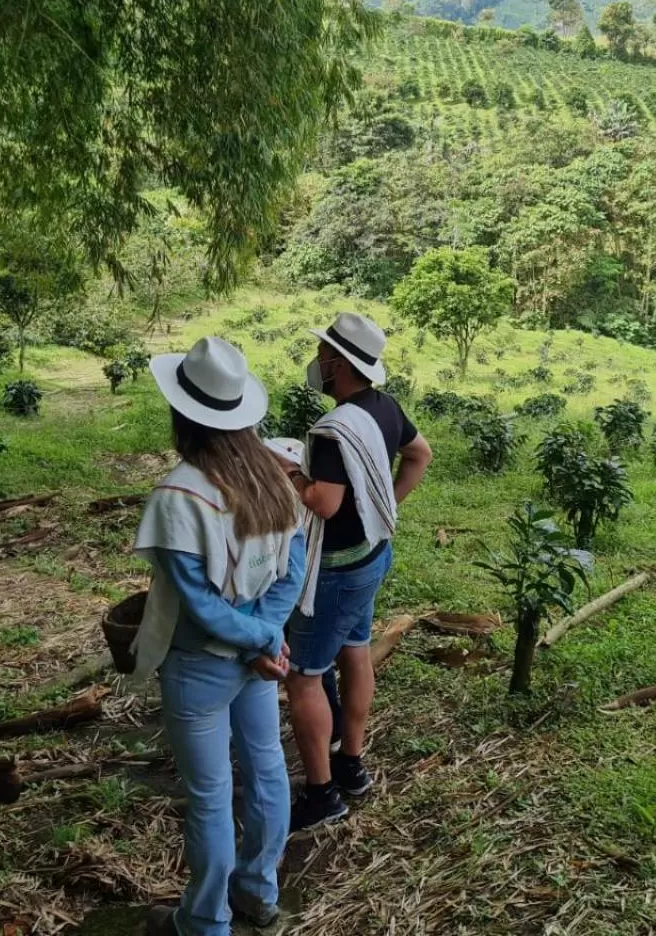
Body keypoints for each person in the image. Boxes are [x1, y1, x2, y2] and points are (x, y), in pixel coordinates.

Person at [134, 336, 306, 936]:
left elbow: (200, 603)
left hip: (200, 665)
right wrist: (267, 637)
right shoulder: (273, 477)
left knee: (210, 795)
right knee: (266, 769)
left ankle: (206, 922)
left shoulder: (178, 494)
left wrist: (257, 639)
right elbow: (293, 571)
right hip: (259, 660)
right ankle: (258, 893)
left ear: (182, 413)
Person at [279, 312, 431, 832]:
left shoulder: (332, 432)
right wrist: (385, 507)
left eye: (324, 354)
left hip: (334, 572)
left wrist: (291, 472)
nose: (318, 361)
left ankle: (322, 794)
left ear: (338, 364)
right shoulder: (385, 408)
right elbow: (420, 454)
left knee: (304, 678)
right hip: (372, 556)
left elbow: (322, 503)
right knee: (355, 650)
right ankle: (351, 764)